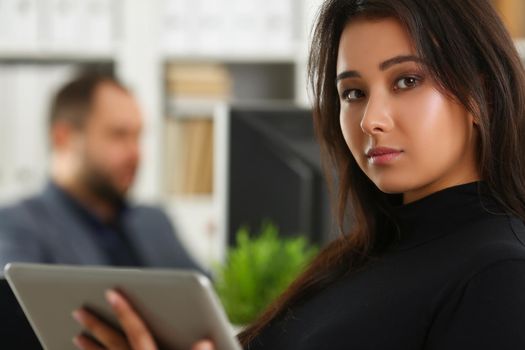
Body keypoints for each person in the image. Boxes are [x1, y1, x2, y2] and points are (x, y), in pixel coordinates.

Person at [72, 0, 525, 349]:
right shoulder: (358, 258)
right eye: (353, 92)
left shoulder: (500, 273)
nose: (371, 119)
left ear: (478, 94)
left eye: (407, 80)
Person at [0, 74, 203, 272]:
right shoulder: (19, 227)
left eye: (137, 136)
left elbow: (211, 298)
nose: (135, 153)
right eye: (118, 135)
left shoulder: (154, 223)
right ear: (63, 138)